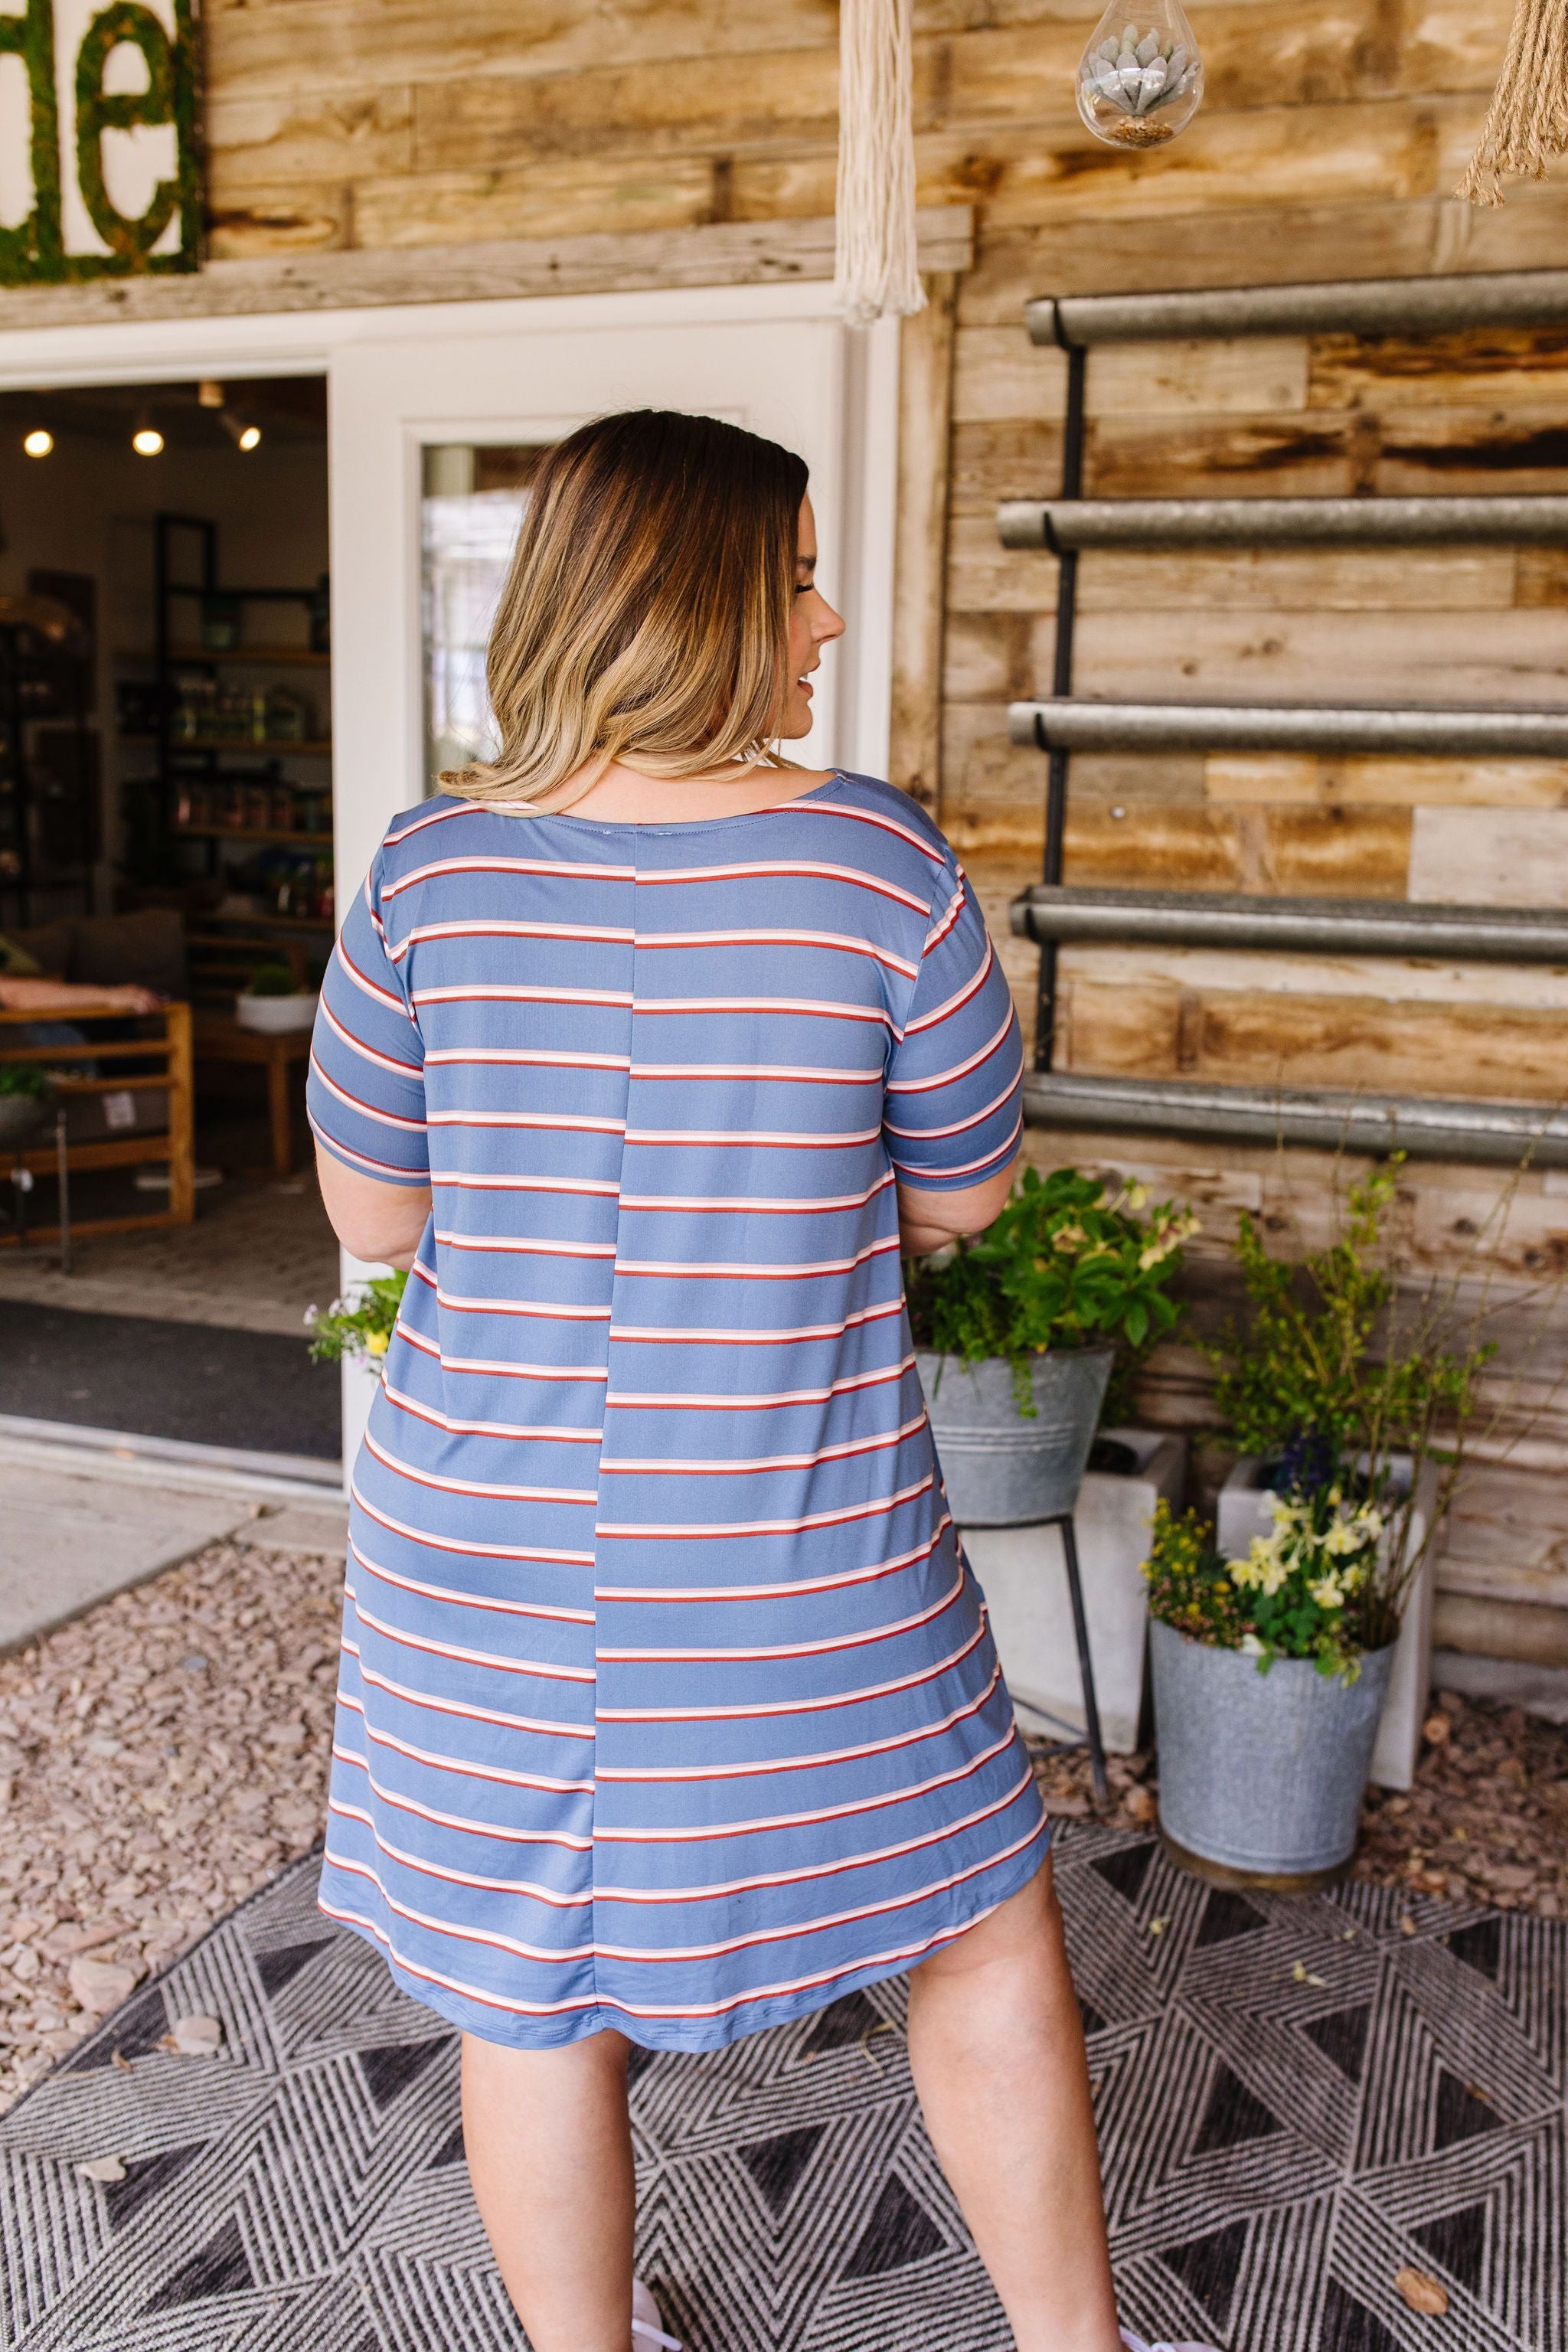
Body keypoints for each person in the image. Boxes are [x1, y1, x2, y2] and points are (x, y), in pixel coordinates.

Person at [308, 410, 1212, 2352]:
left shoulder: (423, 877)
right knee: (972, 1920)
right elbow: (966, 1191)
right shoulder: (875, 861)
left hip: (488, 1550)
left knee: (531, 1987)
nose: (820, 623)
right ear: (694, 600)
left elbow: (373, 1217)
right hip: (797, 1548)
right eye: (795, 575)